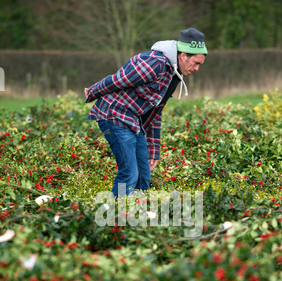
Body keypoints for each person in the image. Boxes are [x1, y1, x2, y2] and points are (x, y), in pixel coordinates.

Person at [84, 28, 207, 197]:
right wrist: (92, 91)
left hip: (131, 121)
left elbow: (156, 111)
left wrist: (153, 149)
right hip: (113, 115)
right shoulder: (155, 63)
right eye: (196, 63)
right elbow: (120, 79)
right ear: (184, 55)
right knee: (129, 174)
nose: (197, 69)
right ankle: (116, 216)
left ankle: (137, 215)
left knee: (143, 176)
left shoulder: (174, 75)